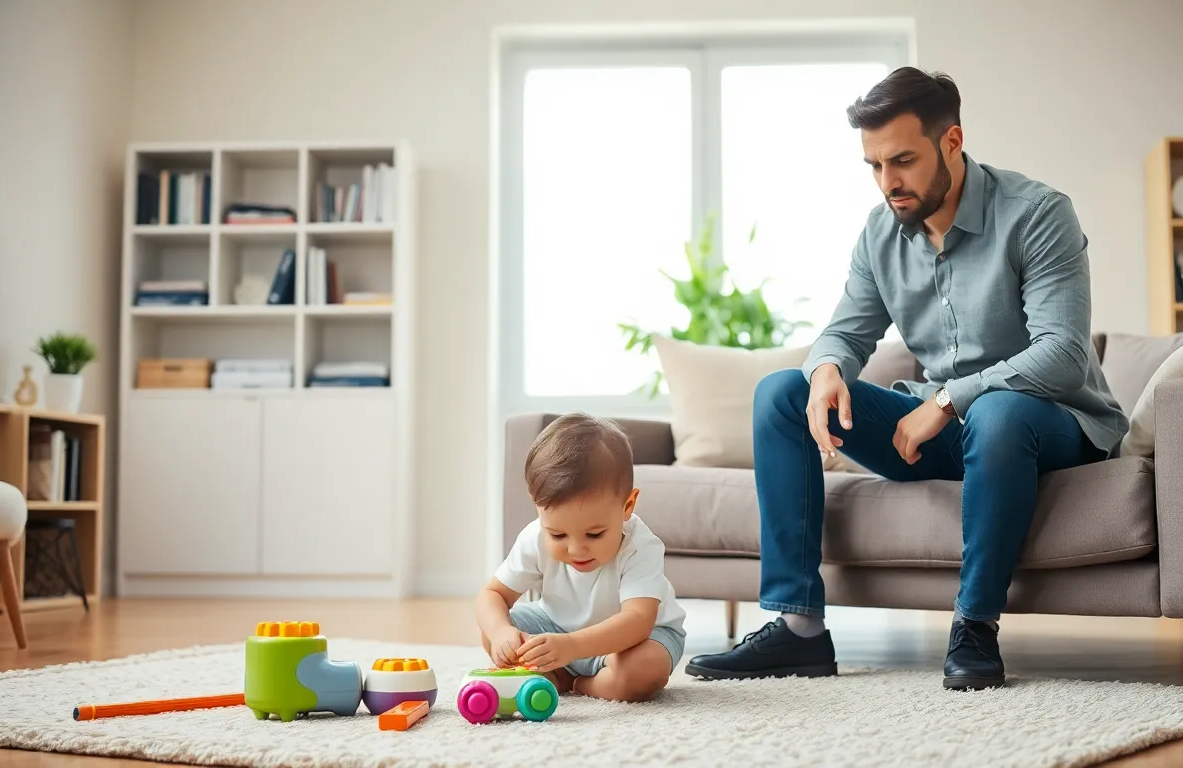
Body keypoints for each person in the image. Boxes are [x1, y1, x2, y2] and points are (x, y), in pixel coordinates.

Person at [684, 67, 1128, 691]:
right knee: (781, 393)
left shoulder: (1037, 213)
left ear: (952, 142)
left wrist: (947, 399)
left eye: (903, 161)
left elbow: (1062, 354)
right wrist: (827, 371)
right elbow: (844, 334)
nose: (887, 182)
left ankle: (975, 626)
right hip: (945, 434)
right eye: (874, 165)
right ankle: (800, 629)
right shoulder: (880, 233)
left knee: (996, 411)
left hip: (1049, 425)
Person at [475, 412, 687, 702]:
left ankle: (576, 683)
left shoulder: (640, 547)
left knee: (644, 670)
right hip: (555, 627)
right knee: (495, 632)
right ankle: (555, 673)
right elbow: (492, 594)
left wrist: (572, 646)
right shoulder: (534, 536)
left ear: (627, 506)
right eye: (558, 535)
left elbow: (638, 620)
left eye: (594, 534)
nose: (575, 549)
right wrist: (501, 632)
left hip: (634, 640)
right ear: (538, 507)